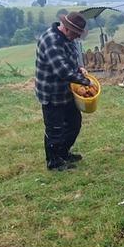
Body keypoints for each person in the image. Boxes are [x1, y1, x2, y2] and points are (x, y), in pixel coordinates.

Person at [34, 11, 92, 171]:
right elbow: (63, 71)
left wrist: (79, 68)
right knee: (55, 129)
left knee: (74, 124)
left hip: (67, 91)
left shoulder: (67, 38)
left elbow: (71, 60)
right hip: (51, 93)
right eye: (75, 34)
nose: (77, 37)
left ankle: (63, 153)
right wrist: (87, 82)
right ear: (66, 28)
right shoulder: (51, 41)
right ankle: (54, 162)